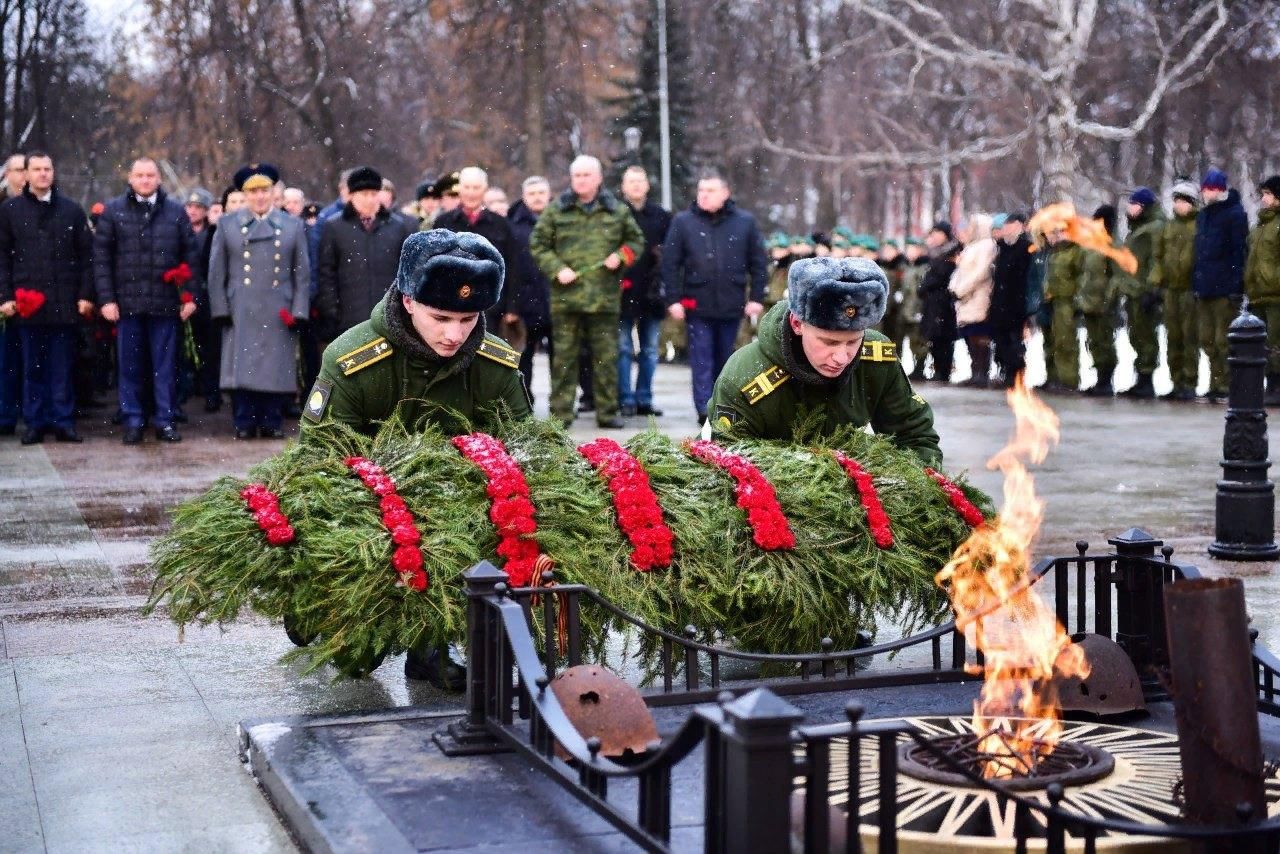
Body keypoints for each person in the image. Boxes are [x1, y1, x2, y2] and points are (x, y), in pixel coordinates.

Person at [301, 229, 529, 687]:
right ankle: (321, 608)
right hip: (368, 508)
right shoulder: (352, 361)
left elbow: (526, 452)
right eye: (440, 316)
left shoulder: (495, 364)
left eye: (468, 319)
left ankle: (433, 642)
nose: (454, 335)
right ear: (407, 301)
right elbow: (319, 464)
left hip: (458, 507)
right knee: (355, 661)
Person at [706, 256, 940, 464]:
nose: (841, 358)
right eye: (828, 342)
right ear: (797, 324)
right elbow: (727, 464)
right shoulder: (745, 378)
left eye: (852, 342)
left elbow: (915, 437)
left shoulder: (877, 358)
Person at [529, 155, 644, 429]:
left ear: (599, 178)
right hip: (566, 299)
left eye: (586, 175)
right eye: (577, 175)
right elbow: (538, 244)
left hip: (603, 299)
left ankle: (607, 412)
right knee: (564, 359)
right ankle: (561, 414)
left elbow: (636, 240)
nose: (581, 180)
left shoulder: (615, 209)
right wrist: (557, 269)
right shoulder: (558, 210)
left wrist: (621, 256)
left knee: (606, 358)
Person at [94, 157, 198, 444]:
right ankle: (133, 420)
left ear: (159, 179)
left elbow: (190, 257)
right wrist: (106, 299)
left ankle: (165, 420)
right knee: (129, 367)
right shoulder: (113, 212)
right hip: (126, 305)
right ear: (130, 178)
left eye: (150, 175)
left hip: (165, 305)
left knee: (164, 368)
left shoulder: (176, 212)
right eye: (139, 175)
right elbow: (101, 260)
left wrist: (190, 296)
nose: (145, 180)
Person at [206, 164, 310, 439]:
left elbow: (302, 272)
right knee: (243, 367)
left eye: (264, 190)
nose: (260, 196)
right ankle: (244, 421)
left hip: (279, 307)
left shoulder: (292, 225)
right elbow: (217, 272)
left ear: (273, 192)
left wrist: (299, 309)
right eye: (253, 192)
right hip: (241, 306)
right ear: (244, 194)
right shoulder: (228, 225)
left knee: (275, 368)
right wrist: (220, 309)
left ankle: (271, 421)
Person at [0, 151, 94, 443]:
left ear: (53, 173)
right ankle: (35, 422)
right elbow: (2, 257)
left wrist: (85, 295)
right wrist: (5, 296)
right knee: (32, 367)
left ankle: (63, 421)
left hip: (64, 303)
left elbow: (86, 257)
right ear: (26, 174)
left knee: (62, 367)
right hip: (28, 303)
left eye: (47, 169)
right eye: (37, 169)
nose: (43, 174)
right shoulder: (10, 211)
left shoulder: (71, 211)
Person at [662, 171, 767, 423]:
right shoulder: (684, 222)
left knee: (726, 358)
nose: (704, 196)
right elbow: (670, 263)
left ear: (725, 193)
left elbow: (758, 262)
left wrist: (756, 297)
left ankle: (723, 404)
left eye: (710, 191)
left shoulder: (744, 222)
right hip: (697, 304)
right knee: (701, 358)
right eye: (701, 191)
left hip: (732, 304)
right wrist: (673, 299)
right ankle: (704, 408)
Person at [315, 166, 415, 339]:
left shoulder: (397, 227)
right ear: (352, 196)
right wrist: (333, 310)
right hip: (348, 319)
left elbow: (406, 272)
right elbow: (326, 273)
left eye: (374, 194)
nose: (370, 199)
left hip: (389, 317)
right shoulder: (334, 227)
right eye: (364, 194)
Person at [432, 166, 520, 343]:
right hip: (452, 303)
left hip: (491, 305)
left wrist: (512, 307)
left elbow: (513, 266)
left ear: (484, 190)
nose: (471, 193)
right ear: (460, 189)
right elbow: (433, 264)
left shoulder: (501, 224)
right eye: (467, 187)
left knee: (488, 354)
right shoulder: (443, 222)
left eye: (476, 188)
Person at [616, 165, 672, 417]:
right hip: (623, 291)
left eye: (640, 180)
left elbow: (670, 254)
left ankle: (644, 398)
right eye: (631, 181)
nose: (636, 185)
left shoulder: (661, 216)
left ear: (648, 185)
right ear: (623, 186)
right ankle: (625, 398)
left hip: (652, 293)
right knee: (623, 348)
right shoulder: (616, 215)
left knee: (650, 350)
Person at [1193, 169, 1248, 404]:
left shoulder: (1235, 214)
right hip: (1205, 285)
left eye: (1212, 189)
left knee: (1223, 340)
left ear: (1221, 190)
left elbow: (1239, 251)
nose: (1208, 194)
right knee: (1207, 339)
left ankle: (1226, 384)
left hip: (1225, 286)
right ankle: (1215, 383)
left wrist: (1236, 285)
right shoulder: (1204, 216)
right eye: (1206, 189)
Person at [1150, 179, 1200, 401]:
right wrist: (1156, 283)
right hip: (1171, 289)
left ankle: (1189, 382)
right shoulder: (1168, 226)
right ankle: (1176, 380)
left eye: (1182, 200)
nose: (1178, 205)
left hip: (1190, 289)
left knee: (1190, 337)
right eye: (1175, 200)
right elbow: (1158, 257)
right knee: (1173, 337)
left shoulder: (1199, 225)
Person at [1117, 187, 1166, 398]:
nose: (1130, 208)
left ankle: (1147, 380)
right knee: (1137, 335)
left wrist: (1153, 289)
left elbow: (1157, 259)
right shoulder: (1137, 229)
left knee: (1146, 336)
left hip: (1144, 290)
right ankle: (1141, 378)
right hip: (1133, 290)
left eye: (1134, 204)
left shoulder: (1154, 228)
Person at [507, 176, 553, 398]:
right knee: (524, 357)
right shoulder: (513, 225)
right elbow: (511, 266)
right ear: (524, 197)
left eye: (541, 193)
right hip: (525, 301)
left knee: (561, 358)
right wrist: (512, 305)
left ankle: (561, 406)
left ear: (549, 195)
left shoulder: (559, 221)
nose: (537, 198)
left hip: (556, 300)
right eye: (532, 193)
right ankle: (525, 400)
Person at [182, 187, 223, 413]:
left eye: (198, 207)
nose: (193, 211)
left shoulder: (214, 233)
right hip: (186, 296)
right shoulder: (179, 231)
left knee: (209, 349)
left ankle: (211, 392)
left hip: (208, 298)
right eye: (190, 206)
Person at [948, 214, 996, 388]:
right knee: (969, 335)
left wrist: (962, 289)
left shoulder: (986, 246)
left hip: (978, 296)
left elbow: (981, 273)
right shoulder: (970, 247)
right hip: (965, 299)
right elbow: (961, 271)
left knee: (979, 335)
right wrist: (954, 288)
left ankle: (982, 373)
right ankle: (974, 371)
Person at [1078, 205, 1120, 397]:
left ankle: (1106, 380)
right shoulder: (1091, 245)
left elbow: (1116, 276)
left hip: (1104, 303)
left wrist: (1108, 299)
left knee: (1105, 342)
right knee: (1094, 342)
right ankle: (1099, 379)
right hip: (1089, 301)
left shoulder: (1112, 245)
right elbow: (1085, 273)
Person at [1246, 175, 1280, 405]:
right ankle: (1269, 383)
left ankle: (1277, 385)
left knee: (1276, 342)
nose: (1264, 198)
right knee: (1263, 343)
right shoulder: (1260, 225)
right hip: (1258, 294)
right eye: (1263, 193)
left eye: (1269, 194)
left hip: (1276, 293)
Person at [989, 214, 1032, 388]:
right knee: (1001, 341)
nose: (1006, 229)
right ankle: (1005, 371)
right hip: (1001, 302)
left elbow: (1026, 278)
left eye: (1010, 225)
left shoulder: (1026, 248)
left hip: (1017, 303)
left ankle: (1015, 375)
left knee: (1014, 342)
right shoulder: (1003, 249)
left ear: (1020, 226)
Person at [1040, 225, 1084, 393]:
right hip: (1052, 300)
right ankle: (1054, 377)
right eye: (1055, 232)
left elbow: (1081, 277)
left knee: (1066, 342)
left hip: (1067, 300)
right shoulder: (1055, 252)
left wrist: (1078, 300)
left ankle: (1069, 380)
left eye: (1061, 232)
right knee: (1052, 341)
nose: (1058, 235)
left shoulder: (1075, 251)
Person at [919, 222, 960, 382]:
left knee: (944, 339)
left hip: (944, 303)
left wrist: (926, 286)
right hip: (933, 303)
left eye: (937, 233)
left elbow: (941, 276)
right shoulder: (935, 254)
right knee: (935, 339)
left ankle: (944, 371)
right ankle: (938, 370)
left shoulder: (951, 253)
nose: (934, 237)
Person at [900, 236, 931, 380]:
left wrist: (920, 309)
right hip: (908, 309)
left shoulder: (923, 268)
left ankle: (920, 367)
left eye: (912, 249)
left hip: (917, 309)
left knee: (920, 341)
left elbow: (920, 291)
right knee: (913, 341)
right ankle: (916, 367)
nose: (909, 252)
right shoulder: (909, 267)